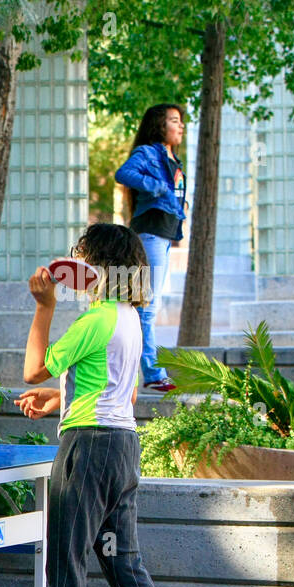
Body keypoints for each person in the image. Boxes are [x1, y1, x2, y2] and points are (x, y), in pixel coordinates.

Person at [0, 222, 186, 587]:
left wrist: (43, 307)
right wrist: (63, 398)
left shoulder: (95, 320)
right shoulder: (129, 318)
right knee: (126, 566)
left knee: (66, 564)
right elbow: (125, 391)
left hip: (86, 452)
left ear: (96, 268)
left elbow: (31, 368)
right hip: (121, 448)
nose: (71, 265)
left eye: (79, 257)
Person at [114, 103, 189, 393]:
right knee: (147, 305)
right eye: (174, 121)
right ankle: (154, 374)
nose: (180, 126)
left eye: (181, 121)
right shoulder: (147, 153)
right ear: (159, 125)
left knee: (143, 304)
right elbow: (124, 174)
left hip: (163, 236)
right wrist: (156, 186)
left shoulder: (174, 160)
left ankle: (134, 370)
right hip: (150, 235)